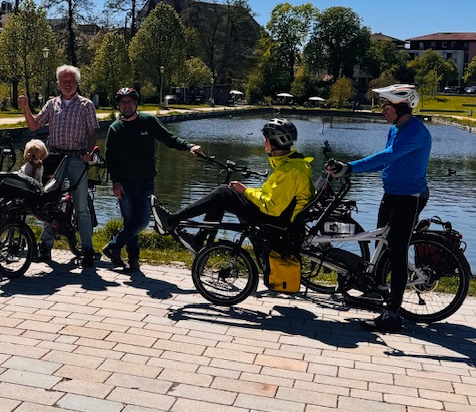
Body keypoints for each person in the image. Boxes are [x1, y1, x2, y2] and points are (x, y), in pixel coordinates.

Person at [330, 84, 431, 333]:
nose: (382, 110)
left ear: (402, 108)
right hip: (392, 194)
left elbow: (387, 156)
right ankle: (379, 294)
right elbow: (386, 163)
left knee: (396, 253)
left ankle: (393, 315)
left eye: (386, 106)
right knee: (381, 245)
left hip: (410, 197)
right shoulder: (396, 129)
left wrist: (351, 167)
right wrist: (350, 170)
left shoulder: (415, 132)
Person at [155, 119, 313, 253]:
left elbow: (272, 206)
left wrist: (246, 191)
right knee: (226, 192)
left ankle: (172, 221)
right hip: (279, 218)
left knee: (223, 193)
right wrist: (245, 191)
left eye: (266, 139)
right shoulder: (292, 165)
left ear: (275, 142)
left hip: (276, 223)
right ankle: (199, 239)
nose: (264, 142)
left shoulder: (289, 171)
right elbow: (271, 194)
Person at [103, 87, 201, 272]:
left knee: (141, 221)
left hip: (146, 182)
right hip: (124, 184)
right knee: (130, 222)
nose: (127, 105)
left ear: (136, 103)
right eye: (123, 102)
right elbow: (111, 159)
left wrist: (189, 147)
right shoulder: (115, 129)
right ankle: (133, 262)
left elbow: (168, 138)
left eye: (130, 101)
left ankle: (113, 246)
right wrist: (115, 182)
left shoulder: (148, 121)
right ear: (119, 105)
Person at [18, 65, 100, 267]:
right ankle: (45, 247)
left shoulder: (86, 105)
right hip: (54, 157)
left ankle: (88, 249)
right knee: (49, 203)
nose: (68, 84)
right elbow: (34, 125)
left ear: (77, 82)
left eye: (71, 80)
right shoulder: (51, 104)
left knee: (81, 206)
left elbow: (92, 132)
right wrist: (26, 108)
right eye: (64, 81)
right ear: (58, 84)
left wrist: (88, 153)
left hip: (76, 157)